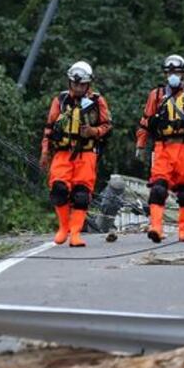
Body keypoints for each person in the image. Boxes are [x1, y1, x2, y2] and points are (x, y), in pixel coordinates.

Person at [135, 54, 184, 243]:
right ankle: (156, 227)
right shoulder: (156, 95)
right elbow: (145, 121)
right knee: (158, 188)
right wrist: (141, 144)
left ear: (183, 74)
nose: (173, 76)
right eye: (170, 72)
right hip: (163, 147)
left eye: (177, 72)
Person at [40, 61, 111, 247]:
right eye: (75, 84)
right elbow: (49, 128)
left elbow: (107, 126)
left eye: (82, 84)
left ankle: (76, 233)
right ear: (70, 82)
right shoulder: (60, 101)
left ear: (88, 84)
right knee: (59, 189)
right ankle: (63, 227)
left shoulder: (97, 101)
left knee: (81, 194)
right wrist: (45, 152)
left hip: (86, 154)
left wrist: (93, 131)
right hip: (63, 153)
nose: (78, 88)